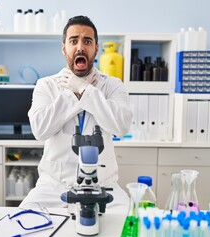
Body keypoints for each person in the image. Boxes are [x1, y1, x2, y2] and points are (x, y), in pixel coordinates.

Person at [20, 15, 133, 208]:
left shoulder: (112, 85)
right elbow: (40, 130)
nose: (80, 47)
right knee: (23, 221)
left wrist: (85, 90)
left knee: (130, 226)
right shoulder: (46, 85)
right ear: (64, 47)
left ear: (96, 48)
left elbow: (120, 126)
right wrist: (71, 93)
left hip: (104, 187)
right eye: (73, 41)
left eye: (87, 41)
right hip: (53, 187)